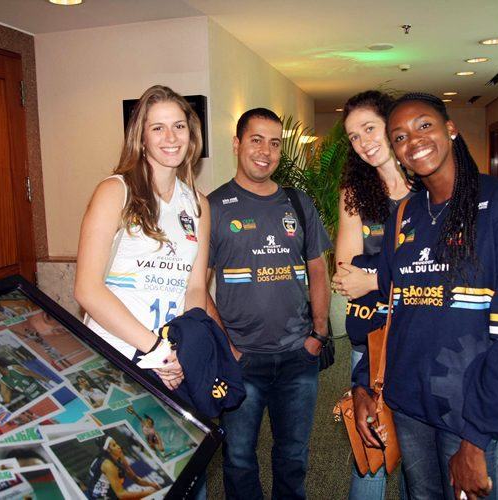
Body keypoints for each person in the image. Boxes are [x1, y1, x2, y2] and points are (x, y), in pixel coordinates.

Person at [349, 93, 498, 500]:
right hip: (408, 405)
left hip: (470, 412)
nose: (415, 140)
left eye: (425, 125)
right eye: (401, 136)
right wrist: (362, 387)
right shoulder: (404, 216)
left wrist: (476, 439)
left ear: (451, 129)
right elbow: (386, 311)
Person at [206, 108, 332, 499]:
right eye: (256, 140)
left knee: (293, 455)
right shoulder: (212, 207)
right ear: (237, 144)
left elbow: (318, 270)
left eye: (275, 143)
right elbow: (196, 288)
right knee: (240, 458)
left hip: (298, 356)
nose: (266, 151)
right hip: (242, 360)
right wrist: (228, 347)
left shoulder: (298, 203)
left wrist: (318, 333)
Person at [74, 85, 210, 391]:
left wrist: (183, 350)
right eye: (158, 128)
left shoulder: (199, 204)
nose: (171, 138)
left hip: (171, 358)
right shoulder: (114, 191)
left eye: (178, 126)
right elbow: (87, 289)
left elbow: (196, 287)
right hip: (116, 355)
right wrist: (156, 350)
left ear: (191, 134)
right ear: (142, 137)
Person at [331, 90, 412, 499]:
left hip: (423, 337)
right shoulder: (354, 194)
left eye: (369, 128)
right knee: (371, 452)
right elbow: (346, 275)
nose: (363, 142)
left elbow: (443, 277)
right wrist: (397, 279)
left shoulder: (430, 187)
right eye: (353, 136)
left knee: (422, 453)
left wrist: (376, 278)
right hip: (373, 341)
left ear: (392, 125)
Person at [86, 435, 159, 499]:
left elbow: (135, 478)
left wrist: (153, 485)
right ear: (108, 450)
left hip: (111, 491)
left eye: (116, 443)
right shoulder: (108, 465)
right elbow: (121, 495)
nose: (118, 447)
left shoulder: (119, 454)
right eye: (114, 445)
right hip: (98, 496)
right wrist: (147, 493)